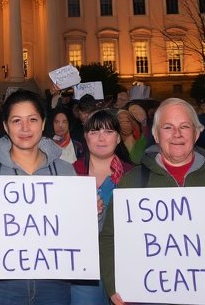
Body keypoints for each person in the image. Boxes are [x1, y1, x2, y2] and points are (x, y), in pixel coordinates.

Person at [99, 98, 205, 305]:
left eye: (185, 126)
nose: (177, 134)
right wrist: (114, 286)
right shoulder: (132, 182)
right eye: (168, 127)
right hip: (149, 297)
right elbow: (110, 238)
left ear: (197, 133)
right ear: (156, 134)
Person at [0, 90, 77, 304]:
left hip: (54, 283)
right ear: (5, 126)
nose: (25, 128)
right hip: (3, 287)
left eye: (32, 119)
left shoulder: (66, 172)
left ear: (42, 123)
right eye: (16, 121)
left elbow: (81, 232)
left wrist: (94, 212)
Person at [71, 110, 133, 305]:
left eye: (108, 131)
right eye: (94, 132)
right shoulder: (70, 172)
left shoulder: (134, 175)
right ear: (85, 137)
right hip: (82, 267)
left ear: (118, 138)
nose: (101, 138)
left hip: (123, 264)